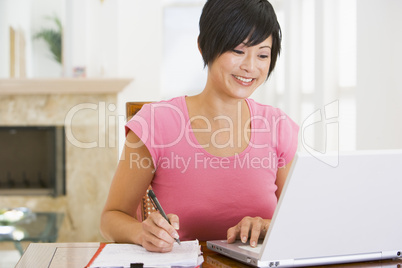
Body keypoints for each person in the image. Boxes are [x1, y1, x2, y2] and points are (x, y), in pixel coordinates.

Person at [100, 0, 299, 253]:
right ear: (204, 46)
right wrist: (141, 233)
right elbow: (110, 217)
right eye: (238, 51)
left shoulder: (278, 126)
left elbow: (297, 221)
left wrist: (268, 225)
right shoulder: (156, 123)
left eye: (262, 55)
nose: (250, 66)